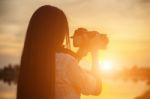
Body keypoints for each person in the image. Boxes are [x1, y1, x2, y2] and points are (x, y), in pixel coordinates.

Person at [17, 5, 101, 99]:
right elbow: (96, 88)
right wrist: (95, 52)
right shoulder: (66, 62)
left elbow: (62, 70)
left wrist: (79, 55)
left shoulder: (31, 62)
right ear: (57, 33)